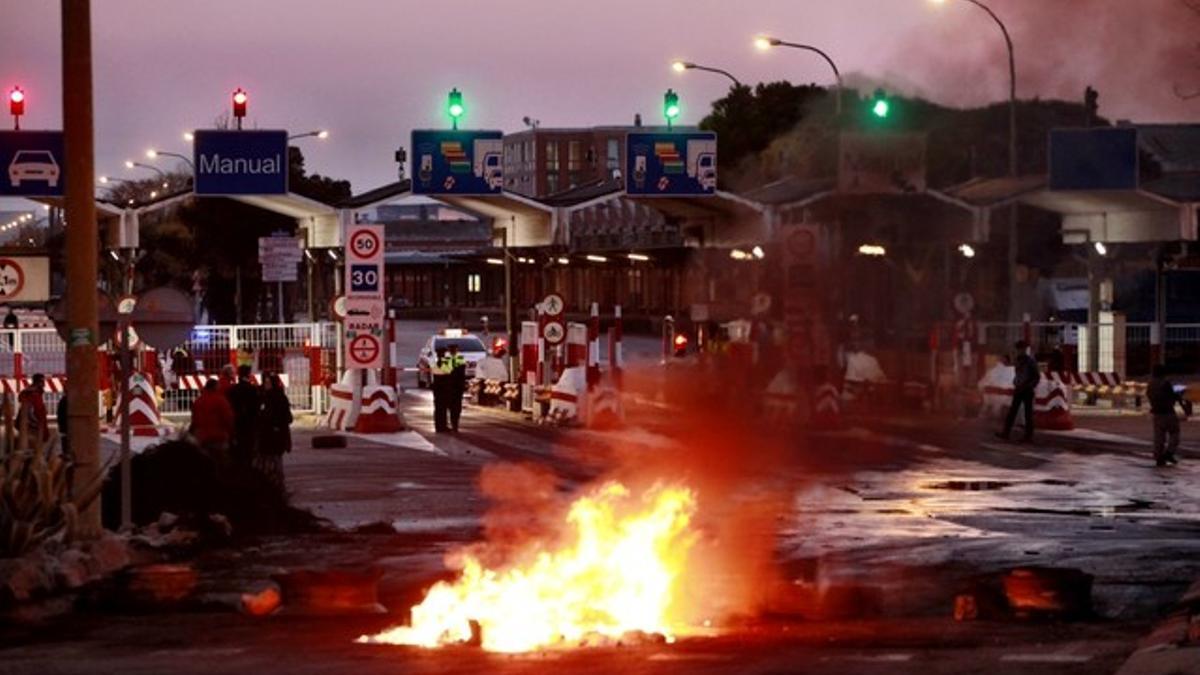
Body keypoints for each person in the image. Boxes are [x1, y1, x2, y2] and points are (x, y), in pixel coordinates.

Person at [254, 373, 293, 490]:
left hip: (275, 434)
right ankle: (271, 482)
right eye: (265, 382)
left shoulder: (276, 398)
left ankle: (278, 483)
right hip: (268, 434)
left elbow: (286, 417)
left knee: (275, 458)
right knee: (269, 458)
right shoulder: (265, 396)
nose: (266, 385)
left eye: (268, 383)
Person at [1147, 364, 1191, 467]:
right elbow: (1172, 396)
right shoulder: (1165, 383)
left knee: (1159, 437)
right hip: (1168, 412)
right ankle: (1169, 453)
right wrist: (1179, 396)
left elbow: (1149, 395)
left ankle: (1158, 457)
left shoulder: (1150, 384)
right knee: (1174, 433)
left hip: (1157, 413)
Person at [997, 340, 1040, 442]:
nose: (1020, 351)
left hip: (1027, 390)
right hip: (1019, 389)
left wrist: (1029, 386)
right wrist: (1016, 383)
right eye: (1019, 349)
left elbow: (1036, 376)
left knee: (1027, 414)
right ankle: (1006, 433)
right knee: (1013, 412)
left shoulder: (1030, 361)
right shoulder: (1019, 360)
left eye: (1021, 349)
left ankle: (1028, 436)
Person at [190, 378, 234, 465]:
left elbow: (194, 419)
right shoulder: (221, 400)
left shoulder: (198, 401)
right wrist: (231, 433)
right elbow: (228, 418)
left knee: (205, 462)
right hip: (219, 436)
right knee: (220, 462)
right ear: (215, 387)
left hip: (202, 437)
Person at [226, 365, 260, 466]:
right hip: (250, 425)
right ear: (248, 375)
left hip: (237, 424)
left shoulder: (233, 390)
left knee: (238, 451)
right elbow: (256, 408)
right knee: (249, 451)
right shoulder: (252, 390)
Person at [16, 374, 49, 450]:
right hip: (33, 430)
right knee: (34, 452)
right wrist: (39, 425)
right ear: (39, 382)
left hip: (29, 428)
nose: (44, 384)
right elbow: (32, 413)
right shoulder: (34, 395)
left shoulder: (32, 393)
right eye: (43, 381)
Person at [446, 344, 468, 432]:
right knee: (454, 406)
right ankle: (454, 423)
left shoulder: (454, 359)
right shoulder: (458, 359)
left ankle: (454, 423)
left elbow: (446, 373)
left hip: (454, 386)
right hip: (454, 386)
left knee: (454, 406)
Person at [431, 347, 451, 433]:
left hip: (438, 390)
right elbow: (446, 377)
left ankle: (439, 426)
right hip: (442, 390)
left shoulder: (436, 364)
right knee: (442, 409)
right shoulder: (443, 364)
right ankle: (441, 426)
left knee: (439, 409)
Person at [55, 392, 69, 459]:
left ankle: (66, 452)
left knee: (65, 440)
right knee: (66, 440)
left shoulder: (64, 400)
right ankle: (66, 453)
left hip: (64, 425)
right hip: (66, 425)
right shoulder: (66, 400)